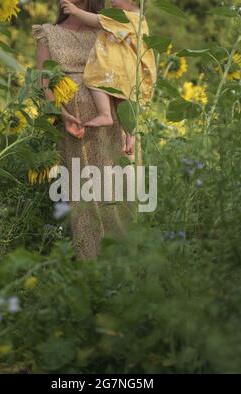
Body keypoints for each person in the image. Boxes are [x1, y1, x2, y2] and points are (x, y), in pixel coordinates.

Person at [32, 0, 134, 260]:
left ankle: (126, 270)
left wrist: (132, 128)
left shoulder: (107, 26)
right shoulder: (48, 33)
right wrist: (60, 113)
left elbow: (126, 76)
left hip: (114, 127)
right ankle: (92, 268)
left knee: (118, 196)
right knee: (84, 197)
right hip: (76, 128)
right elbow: (45, 82)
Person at [60, 0, 156, 155]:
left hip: (116, 68)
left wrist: (75, 11)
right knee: (123, 102)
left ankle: (104, 114)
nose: (111, 1)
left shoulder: (125, 16)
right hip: (129, 71)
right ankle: (131, 135)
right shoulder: (139, 18)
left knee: (95, 80)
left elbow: (97, 21)